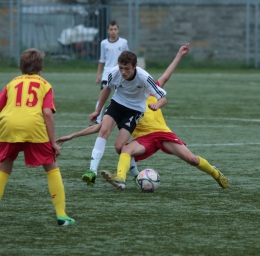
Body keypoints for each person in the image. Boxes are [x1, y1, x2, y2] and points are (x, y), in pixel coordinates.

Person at [100, 43, 229, 190]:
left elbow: (166, 76)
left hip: (162, 133)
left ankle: (215, 173)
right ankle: (120, 179)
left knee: (191, 159)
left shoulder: (149, 89)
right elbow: (109, 120)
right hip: (144, 138)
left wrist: (179, 55)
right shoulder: (124, 101)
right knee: (125, 149)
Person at [0, 48, 75, 226]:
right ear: (41, 68)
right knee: (51, 168)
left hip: (8, 125)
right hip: (33, 127)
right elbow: (47, 114)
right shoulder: (44, 84)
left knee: (3, 169)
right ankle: (61, 215)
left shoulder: (12, 83)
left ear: (21, 67)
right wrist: (53, 143)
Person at [83, 50, 167, 186]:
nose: (123, 72)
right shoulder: (114, 72)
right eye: (121, 68)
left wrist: (157, 104)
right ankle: (92, 172)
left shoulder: (144, 77)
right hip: (117, 104)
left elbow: (163, 98)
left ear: (135, 66)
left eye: (127, 68)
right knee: (104, 129)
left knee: (119, 147)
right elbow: (107, 90)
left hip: (134, 110)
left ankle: (135, 176)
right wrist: (98, 110)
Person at [94, 20, 129, 124]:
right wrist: (98, 75)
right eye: (111, 29)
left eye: (115, 29)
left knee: (123, 95)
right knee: (103, 94)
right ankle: (97, 119)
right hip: (107, 73)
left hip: (120, 72)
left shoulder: (123, 42)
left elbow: (128, 57)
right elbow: (101, 59)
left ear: (118, 30)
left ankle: (124, 117)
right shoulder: (104, 43)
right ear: (108, 31)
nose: (113, 31)